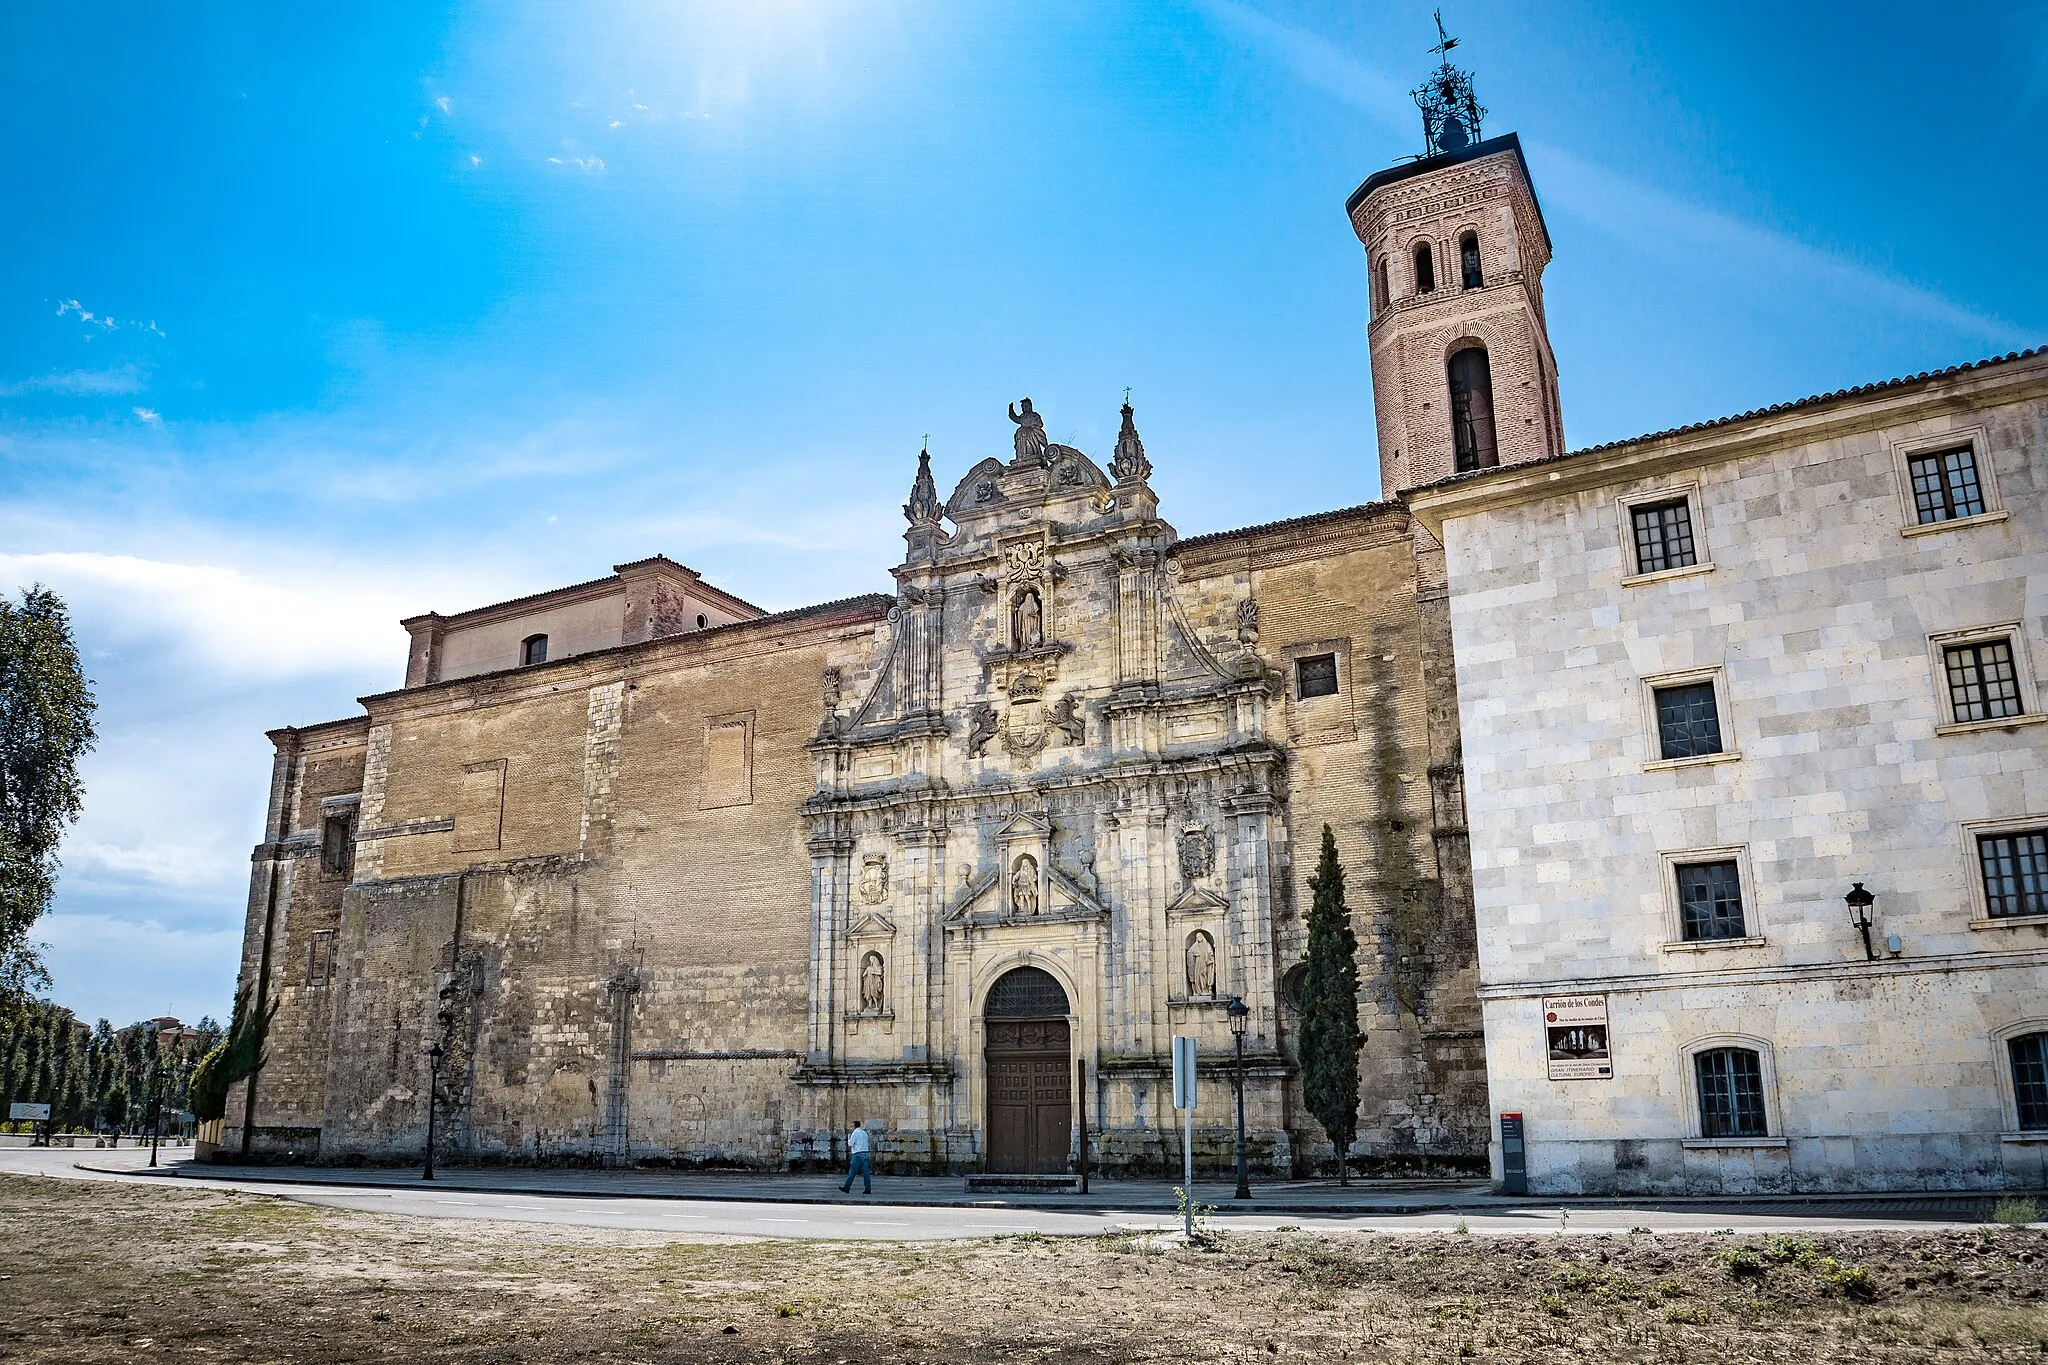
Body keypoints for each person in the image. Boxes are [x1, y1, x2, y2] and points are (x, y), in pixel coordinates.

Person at [839, 1119, 873, 1195]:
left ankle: (846, 1188)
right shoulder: (864, 1133)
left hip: (857, 1155)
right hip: (865, 1154)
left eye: (851, 1126)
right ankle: (868, 1189)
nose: (851, 1127)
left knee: (852, 1172)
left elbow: (851, 1144)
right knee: (866, 1173)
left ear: (854, 1126)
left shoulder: (855, 1133)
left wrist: (849, 1138)